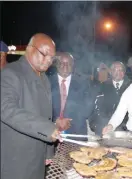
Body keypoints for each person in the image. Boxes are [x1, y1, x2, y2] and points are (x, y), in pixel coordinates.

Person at [1, 33, 70, 179]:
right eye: (44, 54)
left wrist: (48, 151)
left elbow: (46, 115)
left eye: (52, 58)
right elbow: (6, 109)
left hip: (38, 156)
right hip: (17, 158)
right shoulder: (11, 73)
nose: (48, 61)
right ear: (29, 48)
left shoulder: (43, 78)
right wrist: (47, 129)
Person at [49, 52, 93, 135]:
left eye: (69, 63)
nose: (65, 66)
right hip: (51, 131)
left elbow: (88, 108)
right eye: (62, 63)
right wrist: (56, 120)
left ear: (73, 66)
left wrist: (68, 120)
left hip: (76, 131)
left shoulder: (83, 83)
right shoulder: (47, 82)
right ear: (56, 64)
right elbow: (42, 105)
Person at [89, 61, 132, 135]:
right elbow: (94, 107)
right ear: (110, 72)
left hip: (126, 129)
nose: (118, 72)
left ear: (124, 72)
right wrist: (94, 124)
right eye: (115, 70)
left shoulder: (131, 87)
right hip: (105, 127)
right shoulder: (102, 87)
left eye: (120, 70)